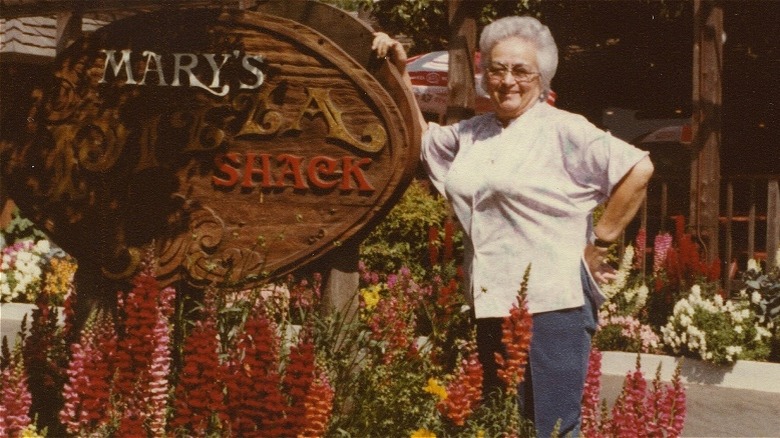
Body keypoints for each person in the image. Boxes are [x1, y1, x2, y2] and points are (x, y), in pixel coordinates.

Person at [373, 15, 654, 437]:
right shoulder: (475, 133)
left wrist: (601, 240)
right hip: (492, 301)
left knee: (552, 428)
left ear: (542, 77)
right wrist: (396, 69)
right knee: (509, 425)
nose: (507, 80)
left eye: (520, 70)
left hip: (552, 303)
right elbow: (418, 139)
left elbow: (638, 166)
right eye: (496, 69)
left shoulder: (564, 129)